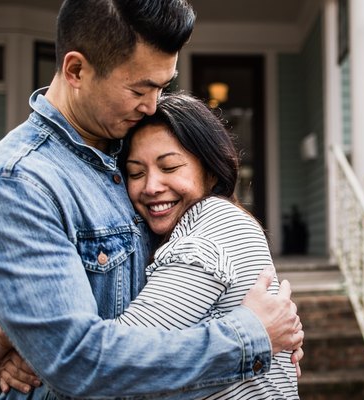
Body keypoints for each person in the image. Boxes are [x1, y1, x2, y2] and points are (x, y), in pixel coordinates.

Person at [0, 0, 303, 398]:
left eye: (163, 86)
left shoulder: (129, 142)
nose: (153, 105)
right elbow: (78, 363)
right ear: (76, 70)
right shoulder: (17, 183)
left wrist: (268, 336)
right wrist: (250, 338)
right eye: (140, 89)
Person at [114, 92, 299, 399]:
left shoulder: (214, 222)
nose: (151, 187)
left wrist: (38, 348)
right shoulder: (184, 229)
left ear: (211, 171)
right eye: (136, 173)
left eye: (170, 167)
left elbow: (122, 357)